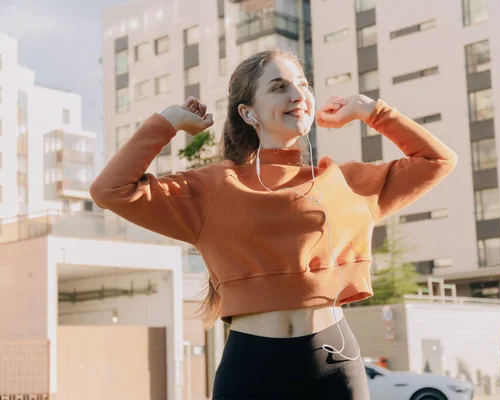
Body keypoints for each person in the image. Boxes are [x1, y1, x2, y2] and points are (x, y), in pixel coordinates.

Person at [89, 49, 457, 399]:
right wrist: (168, 122)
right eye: (279, 87)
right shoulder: (215, 186)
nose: (298, 95)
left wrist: (370, 110)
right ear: (248, 113)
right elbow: (110, 190)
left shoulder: (345, 182)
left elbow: (438, 161)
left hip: (333, 362)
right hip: (251, 368)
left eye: (303, 84)